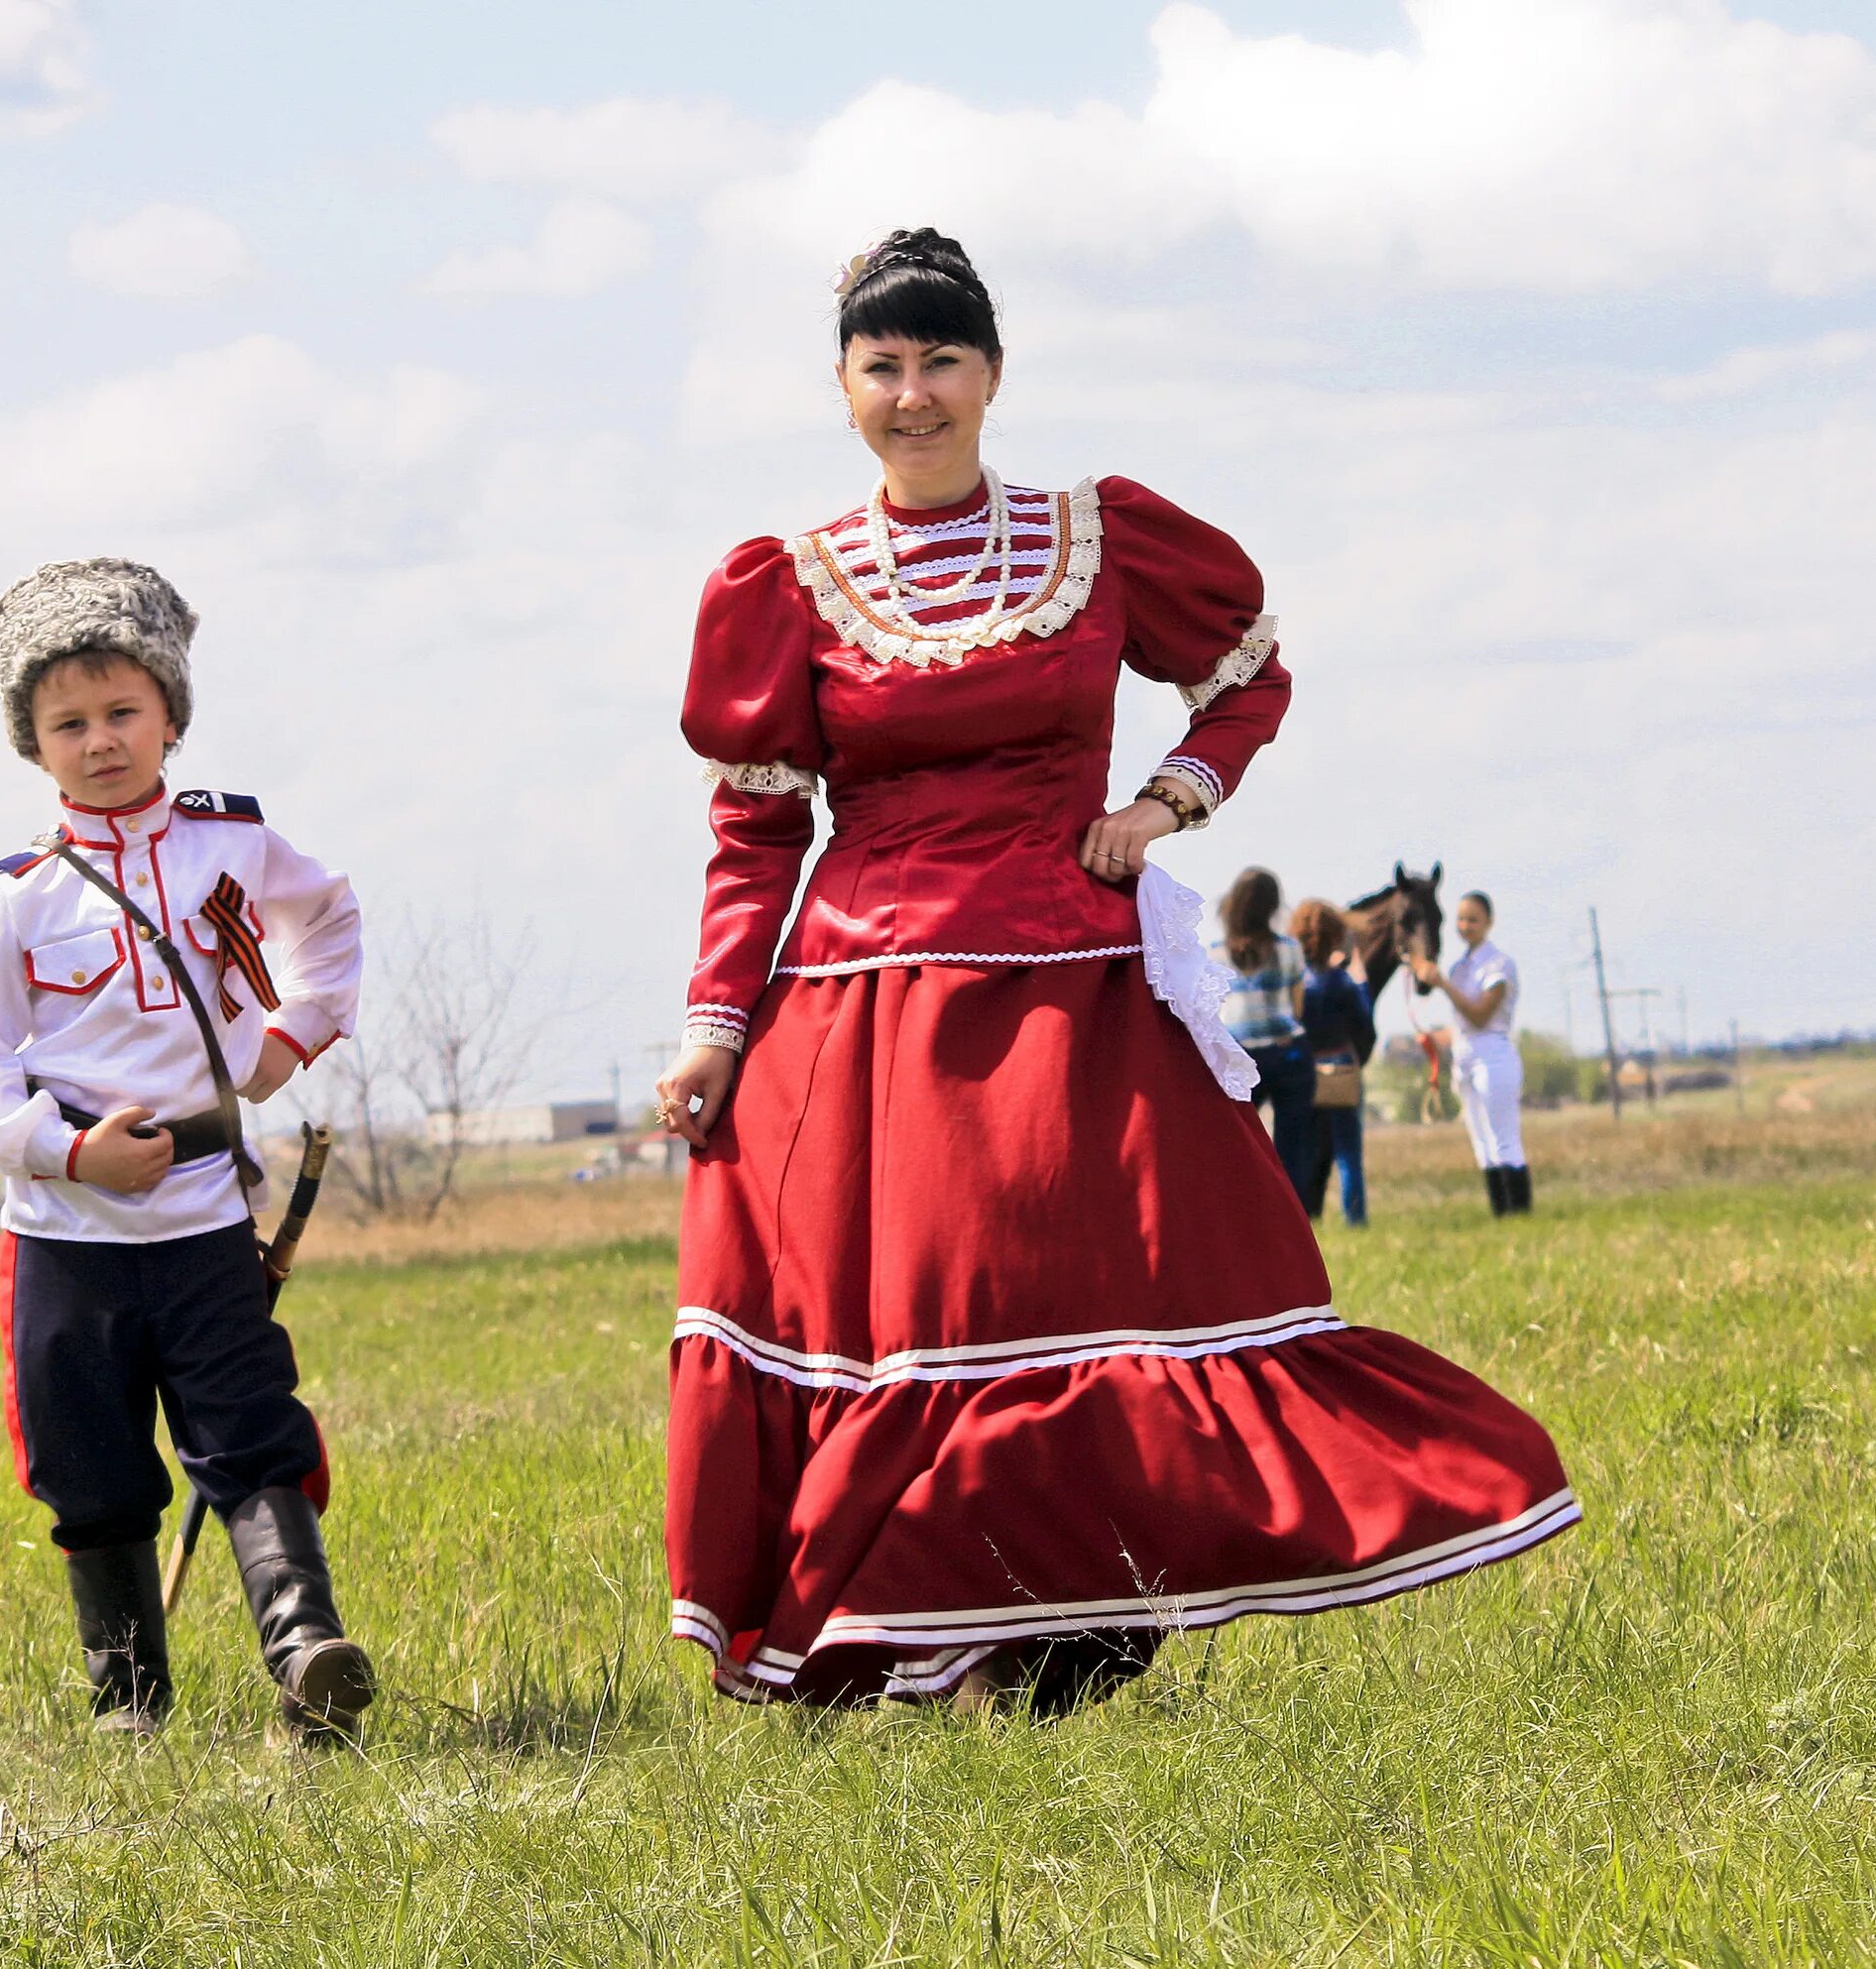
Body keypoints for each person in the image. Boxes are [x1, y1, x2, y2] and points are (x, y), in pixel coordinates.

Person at [650, 228, 1577, 1714]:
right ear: (841, 388)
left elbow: (1247, 674)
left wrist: (1165, 805)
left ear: (995, 373)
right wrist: (713, 1026)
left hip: (1075, 976)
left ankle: (1074, 1622)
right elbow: (756, 828)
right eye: (881, 366)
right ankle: (912, 1629)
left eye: (942, 360)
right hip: (871, 997)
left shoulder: (1098, 536)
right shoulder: (792, 581)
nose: (913, 394)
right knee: (923, 1323)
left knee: (1092, 1304)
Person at [0, 557, 373, 1744]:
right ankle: (127, 1699)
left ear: (171, 715)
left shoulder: (234, 846)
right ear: (32, 744)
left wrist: (291, 1037)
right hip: (67, 1237)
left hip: (204, 1222)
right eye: (67, 722)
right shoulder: (11, 902)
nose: (101, 741)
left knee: (249, 1432)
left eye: (124, 711)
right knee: (90, 1467)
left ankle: (306, 1654)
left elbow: (328, 923)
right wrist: (74, 1157)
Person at [1409, 889, 1529, 1216]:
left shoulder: (1499, 964)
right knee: (1481, 1140)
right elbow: (1463, 1023)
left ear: (1489, 922)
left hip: (1494, 1054)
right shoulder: (1462, 966)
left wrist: (1444, 984)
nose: (1466, 925)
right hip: (1466, 1054)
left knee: (1503, 1137)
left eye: (1473, 919)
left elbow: (1480, 1015)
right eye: (1462, 919)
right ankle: (1500, 1210)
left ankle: (1518, 1208)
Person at [1217, 867, 1314, 1200]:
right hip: (1288, 1053)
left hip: (1238, 1055)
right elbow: (1298, 1008)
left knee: (1234, 1142)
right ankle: (1295, 1216)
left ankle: (1240, 1204)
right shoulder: (1289, 949)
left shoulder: (1216, 953)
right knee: (1293, 1145)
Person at [1288, 898, 1376, 1227]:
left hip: (1305, 1072)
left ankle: (1301, 1219)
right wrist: (1361, 980)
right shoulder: (1342, 983)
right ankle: (1356, 1219)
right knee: (1348, 1154)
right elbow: (1365, 1025)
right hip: (1341, 1068)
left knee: (1303, 1151)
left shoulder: (1297, 983)